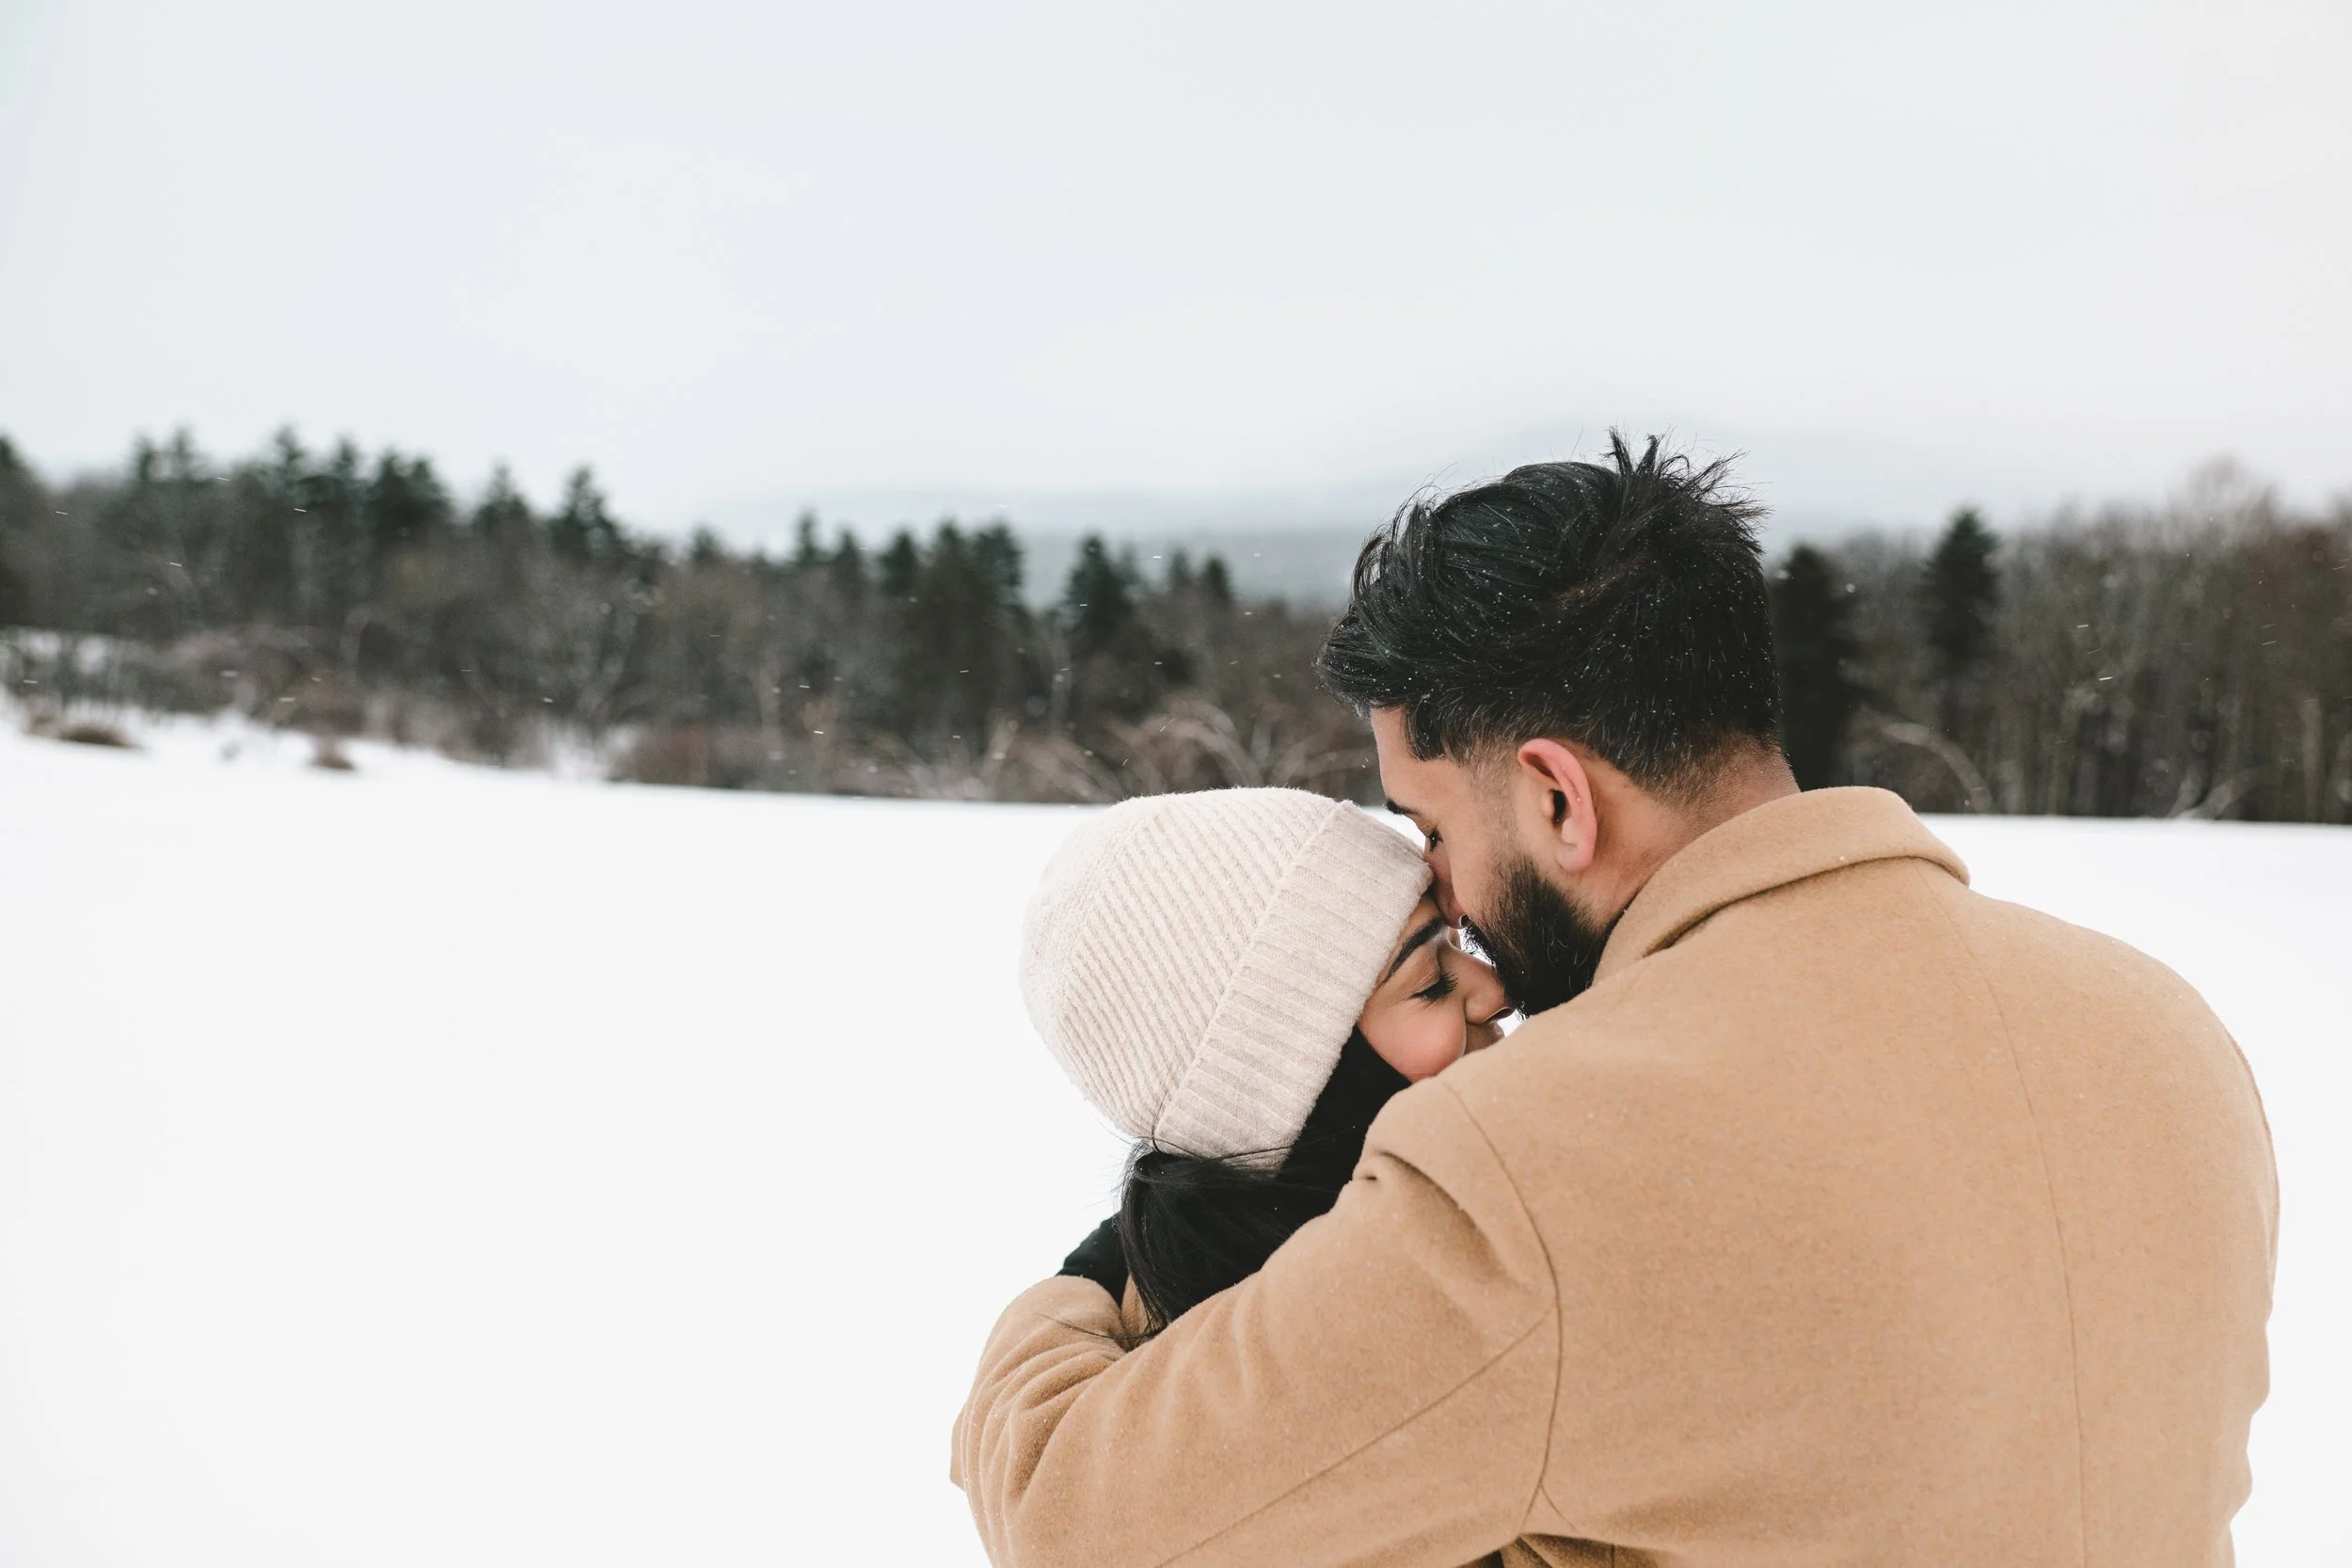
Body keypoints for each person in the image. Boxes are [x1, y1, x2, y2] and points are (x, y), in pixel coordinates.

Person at [953, 435, 2277, 1568]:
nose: (1449, 894)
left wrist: (1093, 1283)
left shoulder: (1540, 1157)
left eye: (1430, 824)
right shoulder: (2166, 1032)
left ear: (1555, 798)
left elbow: (1080, 1509)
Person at [1016, 786, 1511, 1338]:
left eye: (1452, 944)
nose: (1495, 989)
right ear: (1306, 1091)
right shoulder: (1365, 1336)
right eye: (1430, 983)